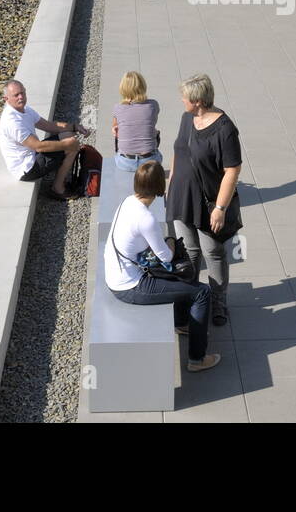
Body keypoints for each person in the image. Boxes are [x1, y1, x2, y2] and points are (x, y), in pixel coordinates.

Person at [105, 162, 220, 372]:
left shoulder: (127, 202)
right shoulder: (146, 218)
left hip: (117, 275)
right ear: (160, 185)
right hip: (131, 287)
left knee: (182, 284)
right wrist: (170, 241)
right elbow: (166, 257)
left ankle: (182, 323)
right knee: (202, 292)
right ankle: (197, 359)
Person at [166, 74, 242, 328]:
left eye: (185, 97)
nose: (181, 100)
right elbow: (178, 150)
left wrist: (220, 208)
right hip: (182, 197)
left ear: (197, 101)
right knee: (188, 252)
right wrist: (173, 181)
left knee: (213, 252)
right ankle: (189, 297)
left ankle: (218, 302)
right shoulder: (187, 118)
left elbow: (232, 170)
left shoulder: (225, 129)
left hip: (208, 203)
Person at [0, 80, 90, 198]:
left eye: (23, 93)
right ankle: (58, 189)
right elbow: (38, 146)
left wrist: (74, 127)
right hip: (27, 168)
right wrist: (67, 145)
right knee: (72, 147)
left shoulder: (25, 109)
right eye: (16, 95)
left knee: (68, 134)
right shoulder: (12, 122)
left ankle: (62, 176)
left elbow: (48, 125)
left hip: (33, 154)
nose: (21, 97)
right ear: (6, 99)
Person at [111, 71, 161, 171]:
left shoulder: (118, 108)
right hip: (150, 161)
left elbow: (115, 127)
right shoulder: (153, 105)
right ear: (143, 86)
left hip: (125, 162)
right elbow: (151, 122)